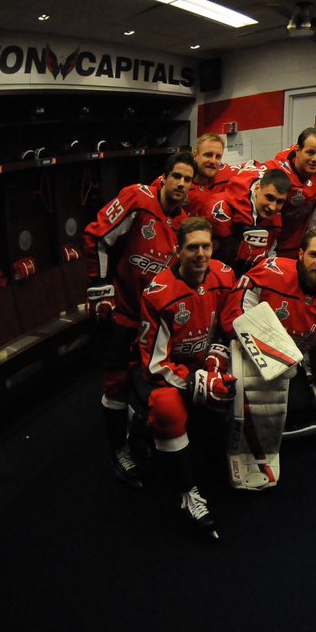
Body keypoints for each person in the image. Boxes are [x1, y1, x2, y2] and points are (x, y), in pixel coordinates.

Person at [83, 151, 193, 487]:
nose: (182, 184)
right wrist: (100, 285)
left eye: (188, 180)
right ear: (164, 176)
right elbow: (97, 235)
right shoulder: (137, 198)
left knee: (155, 388)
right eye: (177, 176)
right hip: (123, 313)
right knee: (115, 386)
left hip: (155, 323)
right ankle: (120, 453)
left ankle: (140, 435)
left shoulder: (184, 223)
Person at [133, 217, 235, 538]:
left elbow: (225, 328)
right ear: (178, 251)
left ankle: (231, 456)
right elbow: (154, 362)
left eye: (206, 246)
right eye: (193, 247)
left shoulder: (225, 275)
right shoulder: (158, 294)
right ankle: (187, 492)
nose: (201, 253)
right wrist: (197, 383)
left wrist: (215, 365)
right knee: (168, 409)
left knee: (243, 383)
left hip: (202, 363)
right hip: (163, 372)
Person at [220, 229, 316, 473]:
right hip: (245, 352)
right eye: (314, 254)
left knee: (294, 412)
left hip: (289, 366)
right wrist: (262, 347)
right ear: (300, 254)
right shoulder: (271, 271)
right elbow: (235, 311)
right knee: (236, 402)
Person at [208, 169, 290, 275]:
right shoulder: (219, 209)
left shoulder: (276, 221)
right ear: (257, 188)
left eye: (280, 202)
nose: (273, 207)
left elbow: (269, 256)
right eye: (269, 198)